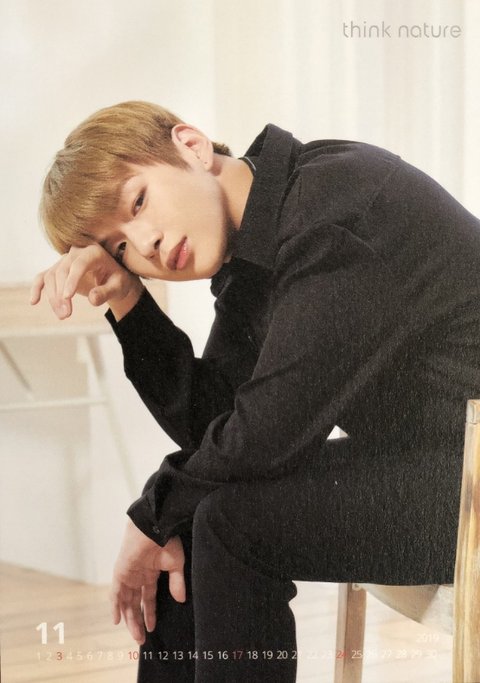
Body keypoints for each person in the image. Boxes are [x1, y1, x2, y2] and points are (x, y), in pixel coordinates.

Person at [31, 100, 480, 682]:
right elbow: (215, 426)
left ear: (191, 146)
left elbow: (265, 434)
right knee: (192, 515)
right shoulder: (259, 247)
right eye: (119, 249)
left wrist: (152, 511)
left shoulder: (335, 210)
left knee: (222, 520)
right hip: (438, 464)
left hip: (468, 479)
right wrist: (127, 300)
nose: (145, 243)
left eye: (138, 202)